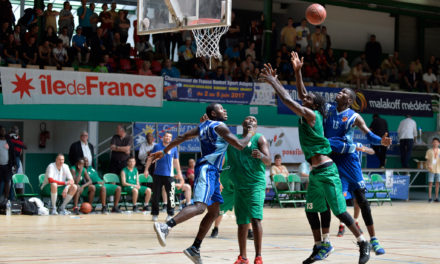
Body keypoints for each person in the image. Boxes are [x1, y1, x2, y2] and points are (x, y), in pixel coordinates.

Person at [260, 61, 371, 264]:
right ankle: (321, 245)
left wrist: (274, 81)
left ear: (315, 105)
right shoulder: (310, 109)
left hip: (328, 171)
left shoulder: (312, 115)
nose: (304, 98)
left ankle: (363, 242)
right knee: (312, 209)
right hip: (315, 172)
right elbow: (300, 95)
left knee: (339, 211)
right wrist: (297, 71)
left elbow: (287, 98)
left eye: (309, 98)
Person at [289, 51, 390, 258]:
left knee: (361, 199)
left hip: (348, 159)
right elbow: (304, 96)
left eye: (344, 92)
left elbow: (369, 135)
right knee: (327, 203)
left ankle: (373, 239)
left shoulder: (354, 116)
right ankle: (325, 243)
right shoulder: (325, 109)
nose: (339, 92)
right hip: (330, 160)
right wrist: (298, 72)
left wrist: (381, 141)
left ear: (350, 100)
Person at [151, 103, 256, 263]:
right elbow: (241, 145)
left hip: (213, 173)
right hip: (208, 170)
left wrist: (165, 151)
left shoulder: (202, 126)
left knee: (214, 212)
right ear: (214, 113)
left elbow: (181, 137)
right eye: (221, 109)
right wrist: (250, 132)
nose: (225, 110)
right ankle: (166, 226)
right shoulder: (220, 126)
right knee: (200, 206)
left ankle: (195, 248)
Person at [225, 116, 271, 264]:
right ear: (242, 123)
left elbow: (268, 160)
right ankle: (243, 257)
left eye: (254, 119)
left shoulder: (259, 138)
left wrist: (261, 155)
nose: (251, 119)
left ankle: (258, 256)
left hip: (255, 184)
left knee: (255, 218)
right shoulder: (235, 139)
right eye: (248, 118)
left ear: (256, 125)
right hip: (239, 185)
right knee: (242, 222)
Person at [328, 138, 374, 237]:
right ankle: (342, 224)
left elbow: (372, 151)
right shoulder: (338, 145)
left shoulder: (357, 144)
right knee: (342, 200)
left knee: (357, 201)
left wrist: (363, 149)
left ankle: (356, 221)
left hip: (355, 175)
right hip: (342, 176)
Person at [145, 132, 182, 221]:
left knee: (171, 195)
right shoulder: (157, 146)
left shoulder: (174, 147)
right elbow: (150, 158)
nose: (168, 138)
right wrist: (146, 169)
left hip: (169, 175)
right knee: (156, 195)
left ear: (171, 138)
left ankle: (170, 214)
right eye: (166, 136)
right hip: (157, 174)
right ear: (163, 137)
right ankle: (155, 214)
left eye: (170, 136)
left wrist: (179, 173)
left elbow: (176, 161)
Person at [0, 126, 16, 199]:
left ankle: (6, 198)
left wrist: (14, 163)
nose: (3, 131)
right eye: (2, 130)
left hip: (7, 165)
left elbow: (12, 153)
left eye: (4, 130)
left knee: (8, 181)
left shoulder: (8, 141)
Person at [425, 138, 440, 203]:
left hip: (438, 169)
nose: (435, 143)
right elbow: (427, 160)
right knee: (430, 184)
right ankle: (430, 197)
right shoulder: (429, 151)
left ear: (439, 143)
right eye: (434, 142)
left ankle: (436, 197)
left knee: (437, 184)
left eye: (436, 142)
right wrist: (428, 165)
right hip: (431, 169)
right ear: (432, 143)